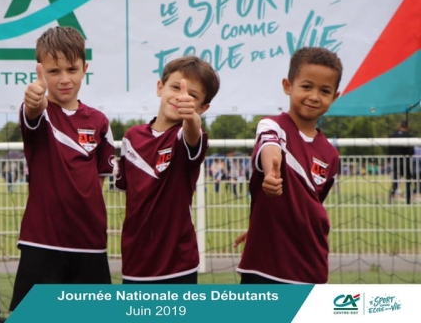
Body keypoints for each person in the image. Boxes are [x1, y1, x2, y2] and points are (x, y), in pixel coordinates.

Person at [9, 26, 116, 311]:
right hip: (42, 241)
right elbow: (31, 110)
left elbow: (102, 178)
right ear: (40, 71)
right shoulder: (39, 113)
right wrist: (33, 100)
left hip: (90, 242)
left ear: (85, 69)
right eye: (54, 71)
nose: (65, 79)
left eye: (72, 69)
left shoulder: (99, 121)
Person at [236, 47, 343, 284]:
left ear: (334, 96)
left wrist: (264, 225)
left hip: (311, 266)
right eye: (306, 86)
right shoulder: (272, 126)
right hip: (265, 264)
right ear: (288, 85)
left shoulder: (331, 155)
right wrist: (271, 175)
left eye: (324, 90)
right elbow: (270, 147)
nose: (314, 96)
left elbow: (308, 205)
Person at [115, 56, 220, 284]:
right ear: (160, 87)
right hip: (134, 261)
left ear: (203, 108)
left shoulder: (186, 137)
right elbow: (124, 187)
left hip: (177, 264)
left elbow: (192, 133)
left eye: (192, 96)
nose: (181, 97)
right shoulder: (132, 137)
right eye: (175, 87)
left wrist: (191, 118)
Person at [388, 121, 414, 205]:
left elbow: (389, 150)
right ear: (407, 127)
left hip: (395, 161)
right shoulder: (409, 136)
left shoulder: (392, 136)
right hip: (405, 161)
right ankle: (408, 200)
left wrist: (390, 159)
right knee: (408, 181)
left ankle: (390, 199)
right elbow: (411, 151)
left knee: (395, 182)